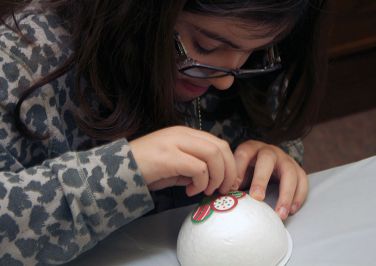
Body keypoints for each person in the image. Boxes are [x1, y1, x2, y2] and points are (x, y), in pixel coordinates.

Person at [0, 0, 328, 264]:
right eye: (206, 45)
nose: (227, 80)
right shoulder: (24, 63)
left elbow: (273, 121)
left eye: (255, 54)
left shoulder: (246, 62)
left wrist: (272, 159)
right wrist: (125, 171)